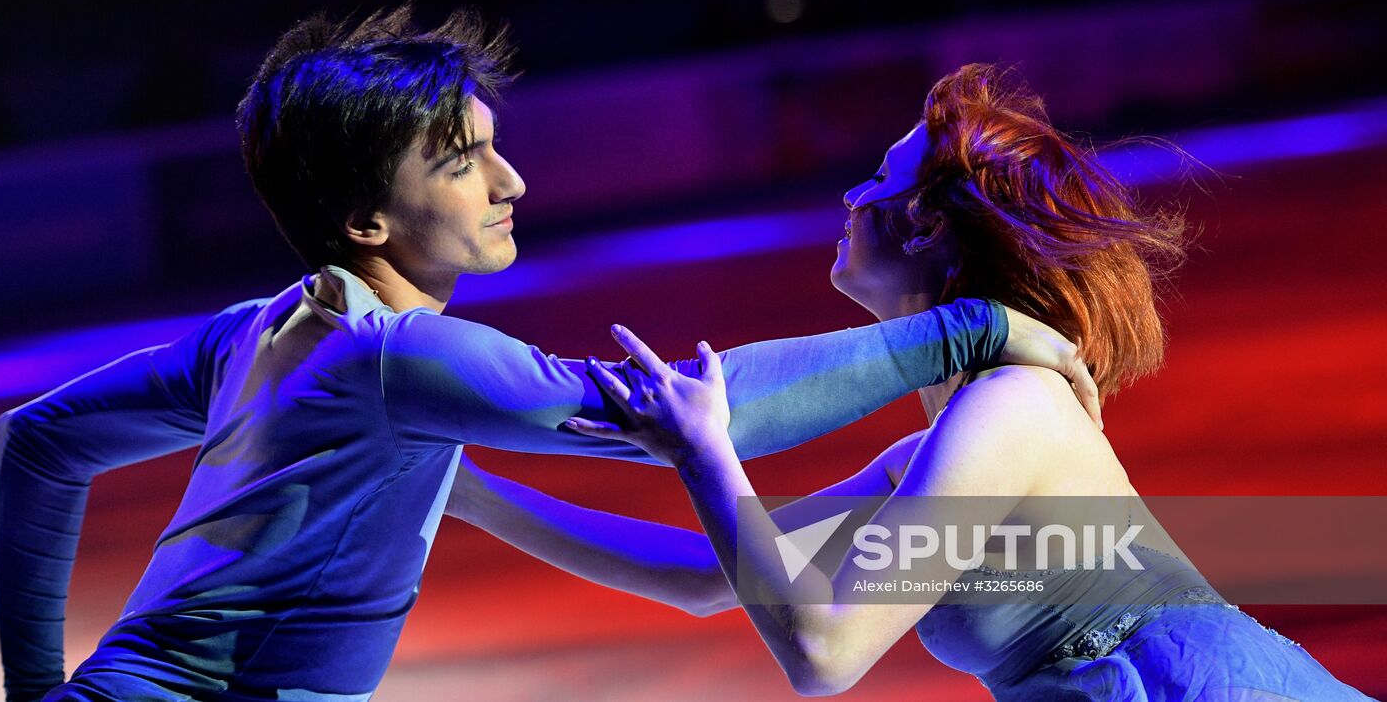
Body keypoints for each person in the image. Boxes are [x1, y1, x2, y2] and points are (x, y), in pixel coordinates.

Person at [0, 12, 1099, 702]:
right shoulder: (405, 358)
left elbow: (36, 438)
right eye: (466, 162)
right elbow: (698, 415)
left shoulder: (255, 332)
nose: (511, 183)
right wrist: (970, 328)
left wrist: (42, 692)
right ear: (367, 220)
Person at [533, 64, 1371, 699]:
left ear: (930, 225)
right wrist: (469, 490)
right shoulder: (949, 440)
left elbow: (825, 650)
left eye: (878, 179)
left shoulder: (1009, 411)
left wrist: (705, 452)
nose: (853, 195)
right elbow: (702, 575)